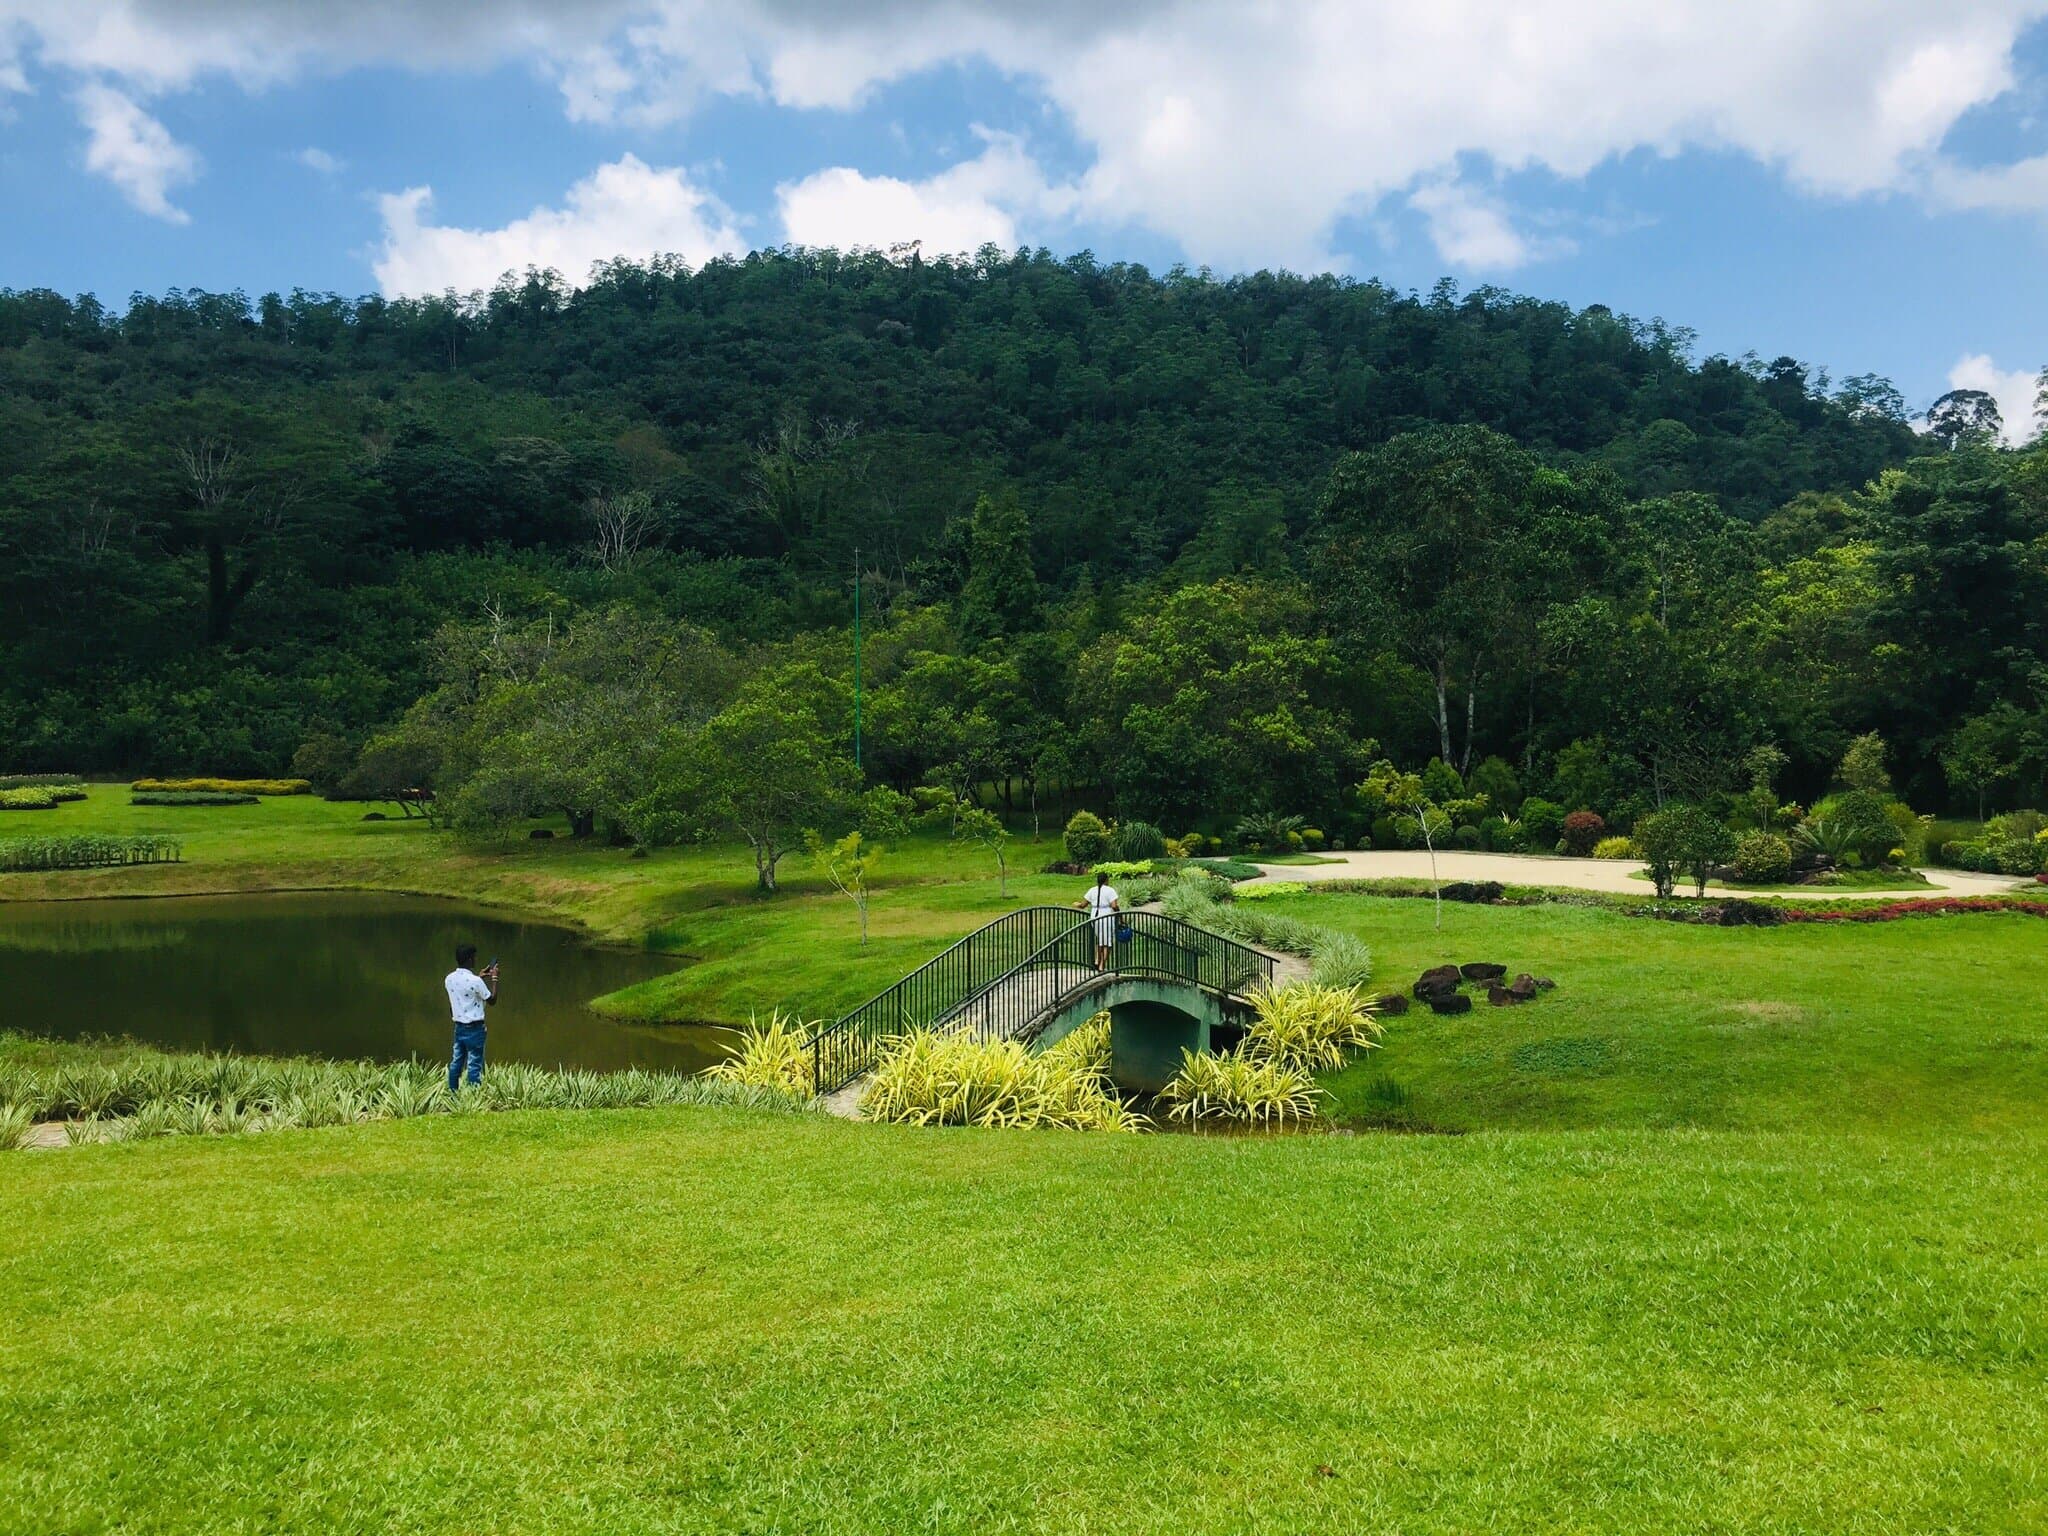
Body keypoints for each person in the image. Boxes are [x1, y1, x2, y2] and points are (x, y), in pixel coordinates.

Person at [444, 943, 499, 1092]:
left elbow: (463, 992)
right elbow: (492, 1000)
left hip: (459, 1028)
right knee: (474, 1064)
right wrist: (494, 978)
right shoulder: (476, 982)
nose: (475, 960)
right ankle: (473, 1098)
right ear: (469, 959)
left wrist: (480, 976)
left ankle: (452, 1093)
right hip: (475, 1029)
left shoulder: (449, 979)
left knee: (456, 1062)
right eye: (474, 957)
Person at [1078, 871, 1121, 971]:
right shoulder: (1110, 890)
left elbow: (1083, 905)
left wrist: (1078, 905)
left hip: (1094, 916)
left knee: (1100, 939)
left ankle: (1097, 959)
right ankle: (1102, 964)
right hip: (1105, 915)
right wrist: (1119, 914)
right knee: (1107, 942)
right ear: (1106, 880)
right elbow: (1114, 906)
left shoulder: (1092, 890)